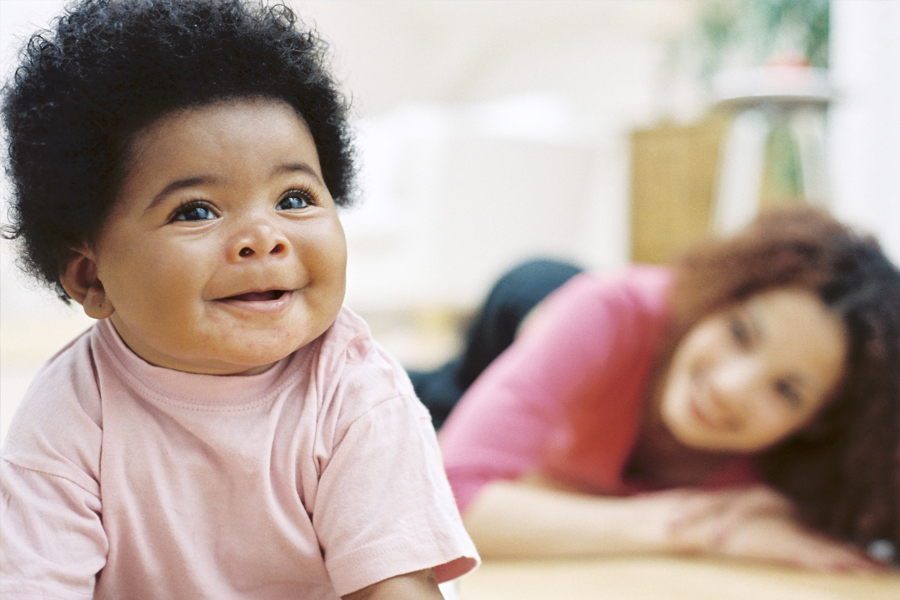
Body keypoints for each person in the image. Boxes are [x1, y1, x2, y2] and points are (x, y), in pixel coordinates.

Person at [0, 1, 478, 598]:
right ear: (90, 279)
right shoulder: (68, 415)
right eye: (196, 210)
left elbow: (394, 588)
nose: (264, 237)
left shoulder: (356, 394)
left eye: (295, 198)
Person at [425, 207, 900, 571]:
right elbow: (442, 504)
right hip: (513, 336)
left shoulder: (808, 476)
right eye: (739, 333)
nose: (731, 388)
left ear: (820, 421)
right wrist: (686, 528)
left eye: (787, 391)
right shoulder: (610, 309)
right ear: (715, 303)